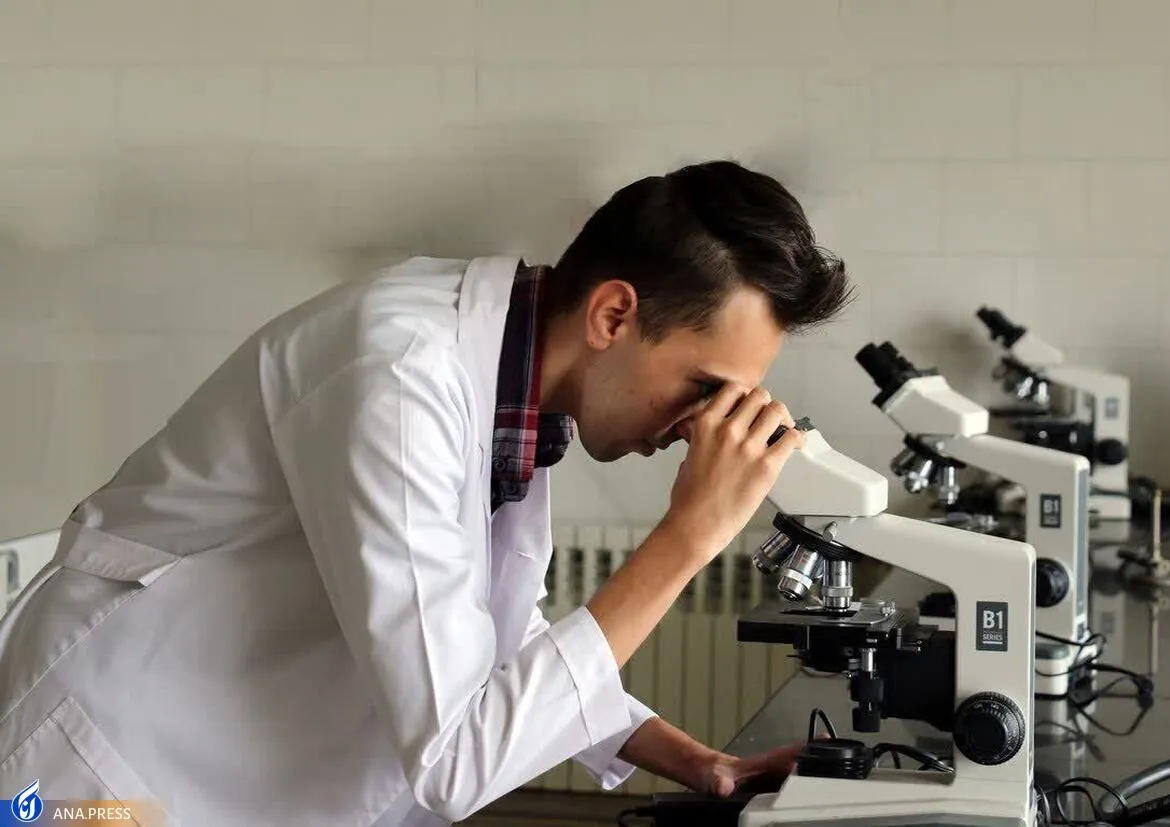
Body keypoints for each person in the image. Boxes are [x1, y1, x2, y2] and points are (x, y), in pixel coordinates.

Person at [0, 160, 853, 826]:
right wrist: (689, 536)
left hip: (210, 763)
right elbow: (457, 761)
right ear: (613, 315)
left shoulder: (507, 381)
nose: (702, 428)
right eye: (704, 388)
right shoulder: (401, 377)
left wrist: (700, 763)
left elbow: (488, 634)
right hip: (98, 773)